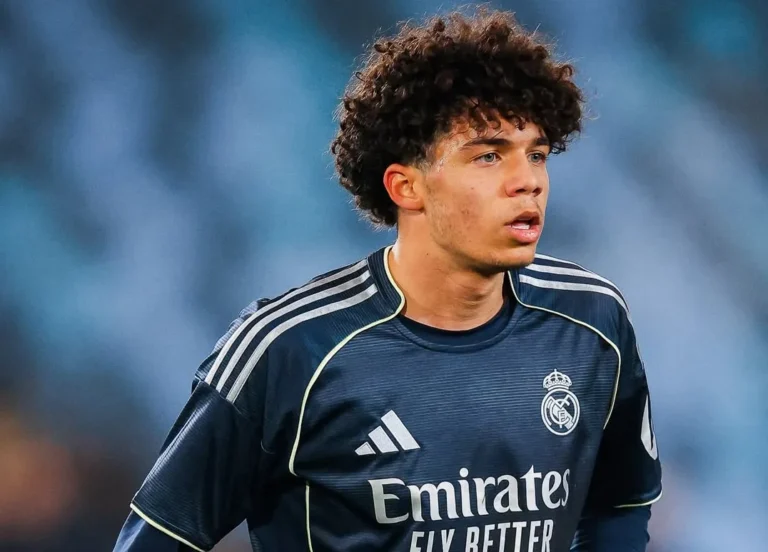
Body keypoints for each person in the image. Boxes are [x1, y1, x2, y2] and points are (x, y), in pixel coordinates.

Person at [113, 8, 661, 552]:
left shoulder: (592, 321)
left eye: (536, 155)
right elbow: (157, 537)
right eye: (489, 156)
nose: (528, 182)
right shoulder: (290, 349)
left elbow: (621, 505)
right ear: (406, 187)